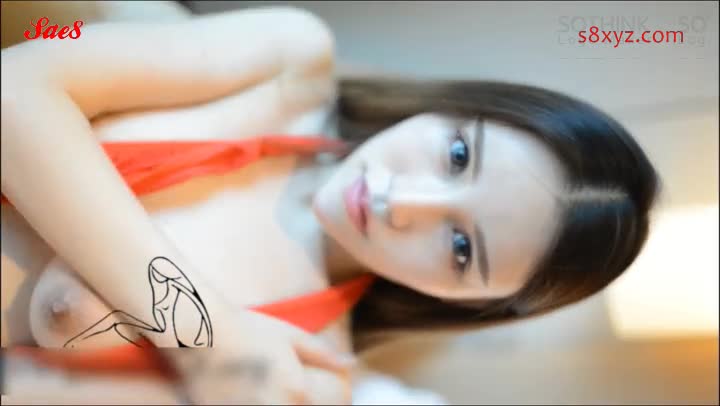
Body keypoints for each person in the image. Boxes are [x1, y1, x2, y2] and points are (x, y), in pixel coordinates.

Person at [0, 2, 660, 404]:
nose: (402, 201)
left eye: (461, 248)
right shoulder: (292, 58)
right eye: (458, 155)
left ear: (470, 304)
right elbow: (14, 87)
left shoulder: (306, 374)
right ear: (460, 109)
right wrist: (211, 337)